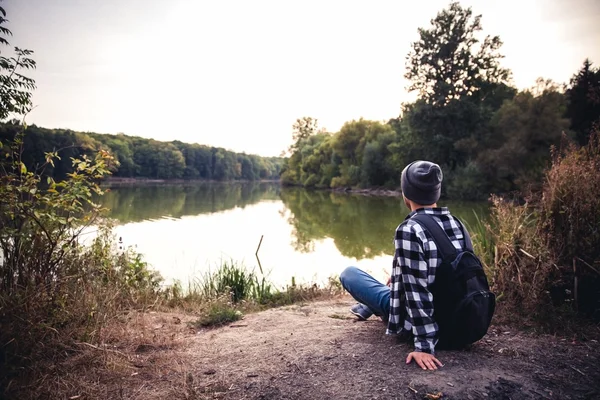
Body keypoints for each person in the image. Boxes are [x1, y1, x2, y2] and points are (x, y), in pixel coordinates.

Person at [340, 160, 470, 371]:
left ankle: (370, 306)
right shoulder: (457, 223)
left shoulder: (410, 229)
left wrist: (424, 346)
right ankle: (368, 306)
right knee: (396, 280)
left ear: (405, 194)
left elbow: (417, 292)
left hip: (424, 324)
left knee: (349, 274)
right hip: (460, 322)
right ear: (436, 193)